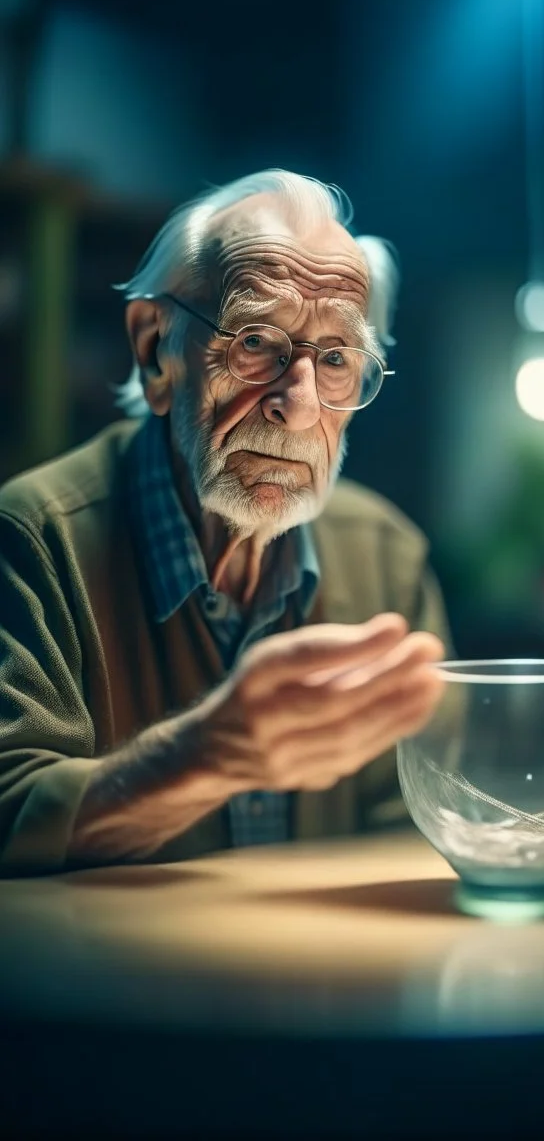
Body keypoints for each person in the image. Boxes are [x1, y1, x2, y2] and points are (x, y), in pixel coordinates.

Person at [0, 169, 454, 875]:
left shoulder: (387, 558)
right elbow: (9, 816)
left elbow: (422, 823)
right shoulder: (34, 538)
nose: (297, 404)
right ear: (156, 351)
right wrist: (203, 755)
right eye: (254, 343)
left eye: (335, 359)